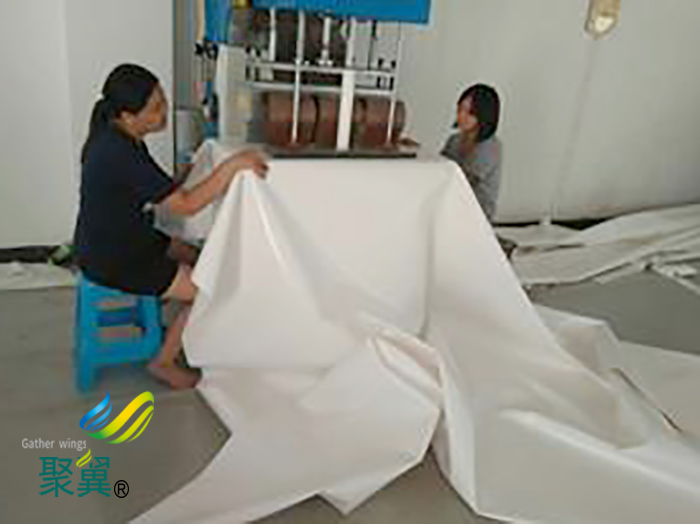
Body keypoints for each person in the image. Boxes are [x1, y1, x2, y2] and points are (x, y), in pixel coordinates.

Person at [74, 64, 268, 389]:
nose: (164, 112)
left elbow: (154, 188)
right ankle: (163, 362)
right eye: (155, 108)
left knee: (199, 257)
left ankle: (182, 317)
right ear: (128, 115)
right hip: (116, 257)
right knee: (209, 287)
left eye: (162, 100)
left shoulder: (119, 136)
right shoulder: (119, 151)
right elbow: (187, 204)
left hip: (118, 238)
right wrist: (233, 165)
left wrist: (183, 175)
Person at [441, 84, 502, 223]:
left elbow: (462, 182)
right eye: (460, 109)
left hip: (477, 216)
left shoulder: (490, 146)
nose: (461, 116)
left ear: (483, 116)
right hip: (453, 206)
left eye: (469, 112)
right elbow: (441, 168)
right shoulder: (454, 140)